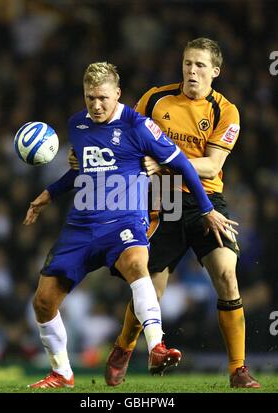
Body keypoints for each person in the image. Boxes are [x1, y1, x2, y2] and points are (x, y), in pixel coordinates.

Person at [24, 61, 237, 389]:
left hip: (124, 219)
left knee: (138, 264)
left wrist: (207, 209)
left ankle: (156, 347)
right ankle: (61, 373)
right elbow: (85, 169)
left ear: (118, 94)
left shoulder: (139, 126)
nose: (96, 105)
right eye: (90, 98)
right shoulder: (77, 125)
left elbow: (183, 166)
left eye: (103, 98)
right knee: (43, 300)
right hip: (82, 224)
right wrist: (48, 194)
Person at [100, 38, 261, 389]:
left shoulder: (226, 111)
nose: (191, 70)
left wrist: (163, 160)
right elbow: (124, 138)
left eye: (200, 65)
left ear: (215, 72)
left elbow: (212, 164)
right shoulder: (155, 98)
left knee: (226, 273)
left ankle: (237, 369)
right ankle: (123, 349)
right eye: (187, 63)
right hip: (162, 198)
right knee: (150, 290)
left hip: (206, 200)